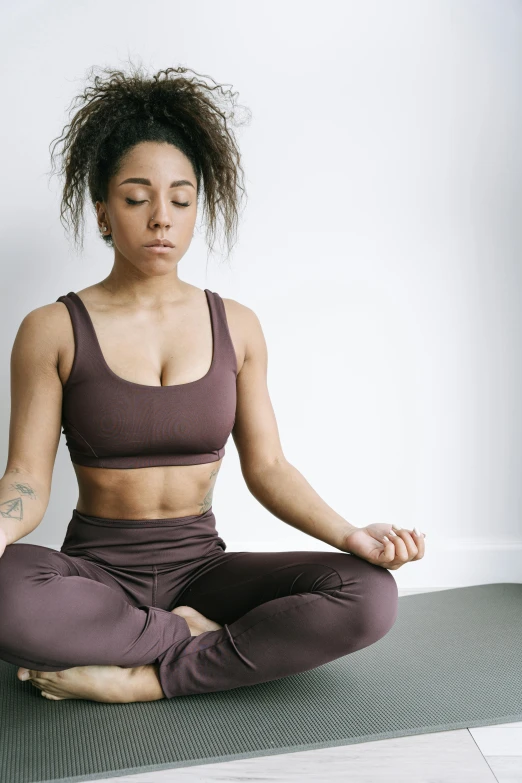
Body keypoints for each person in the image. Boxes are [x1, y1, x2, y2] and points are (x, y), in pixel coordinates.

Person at [0, 62, 425, 704]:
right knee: (8, 595)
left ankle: (145, 680)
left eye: (181, 199)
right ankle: (196, 639)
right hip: (95, 573)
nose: (161, 219)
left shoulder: (240, 326)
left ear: (199, 207)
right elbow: (27, 480)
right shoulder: (51, 328)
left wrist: (353, 537)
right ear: (104, 213)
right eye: (137, 198)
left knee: (369, 595)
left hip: (204, 569)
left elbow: (270, 467)